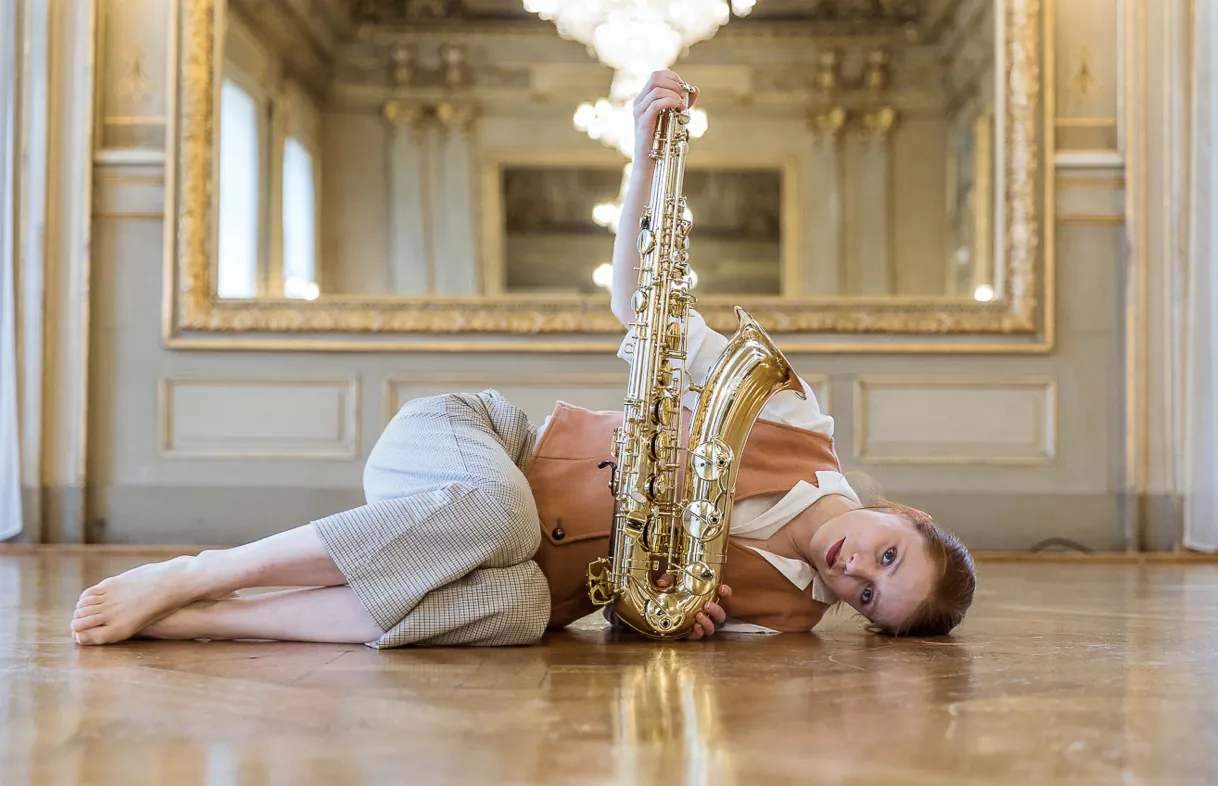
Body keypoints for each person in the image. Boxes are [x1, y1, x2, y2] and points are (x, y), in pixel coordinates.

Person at [69, 71, 975, 648]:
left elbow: (632, 613)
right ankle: (200, 571)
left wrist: (664, 622)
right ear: (906, 513)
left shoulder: (790, 615)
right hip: (476, 442)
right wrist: (643, 162)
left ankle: (206, 621)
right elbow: (637, 305)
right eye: (888, 559)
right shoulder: (794, 423)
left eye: (867, 600)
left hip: (532, 581)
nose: (854, 575)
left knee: (515, 614)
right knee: (497, 520)